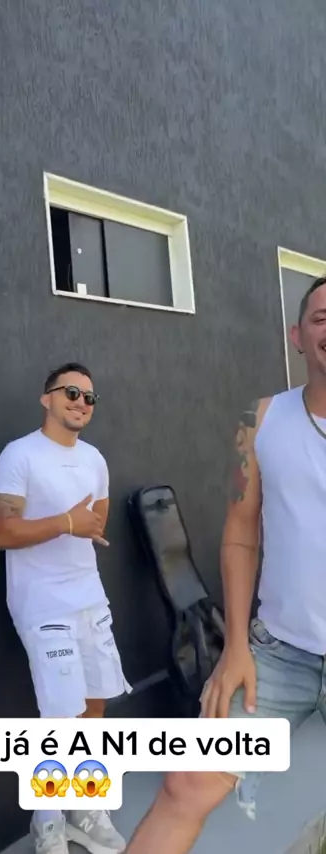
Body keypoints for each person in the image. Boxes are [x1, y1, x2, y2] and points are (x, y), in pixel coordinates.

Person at [125, 275, 326, 854]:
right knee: (185, 784)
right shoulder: (260, 419)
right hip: (278, 654)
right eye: (320, 318)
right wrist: (235, 646)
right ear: (296, 336)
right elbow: (240, 533)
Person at [0, 362, 131, 854]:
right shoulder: (19, 455)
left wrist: (82, 524)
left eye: (90, 397)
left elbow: (96, 520)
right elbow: (3, 532)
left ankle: (86, 807)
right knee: (60, 714)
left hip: (89, 595)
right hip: (41, 599)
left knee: (95, 703)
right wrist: (66, 523)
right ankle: (47, 821)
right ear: (46, 398)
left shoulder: (94, 459)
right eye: (71, 392)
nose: (81, 402)